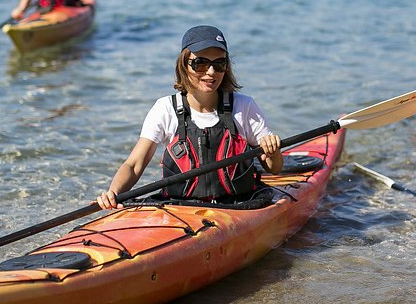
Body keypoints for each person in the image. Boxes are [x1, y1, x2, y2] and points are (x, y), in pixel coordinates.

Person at [95, 26, 283, 210]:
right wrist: (113, 193)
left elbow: (274, 168)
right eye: (200, 63)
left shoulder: (244, 106)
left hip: (238, 206)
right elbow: (134, 164)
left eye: (219, 64)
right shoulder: (165, 109)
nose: (210, 72)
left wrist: (273, 152)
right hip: (180, 208)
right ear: (184, 65)